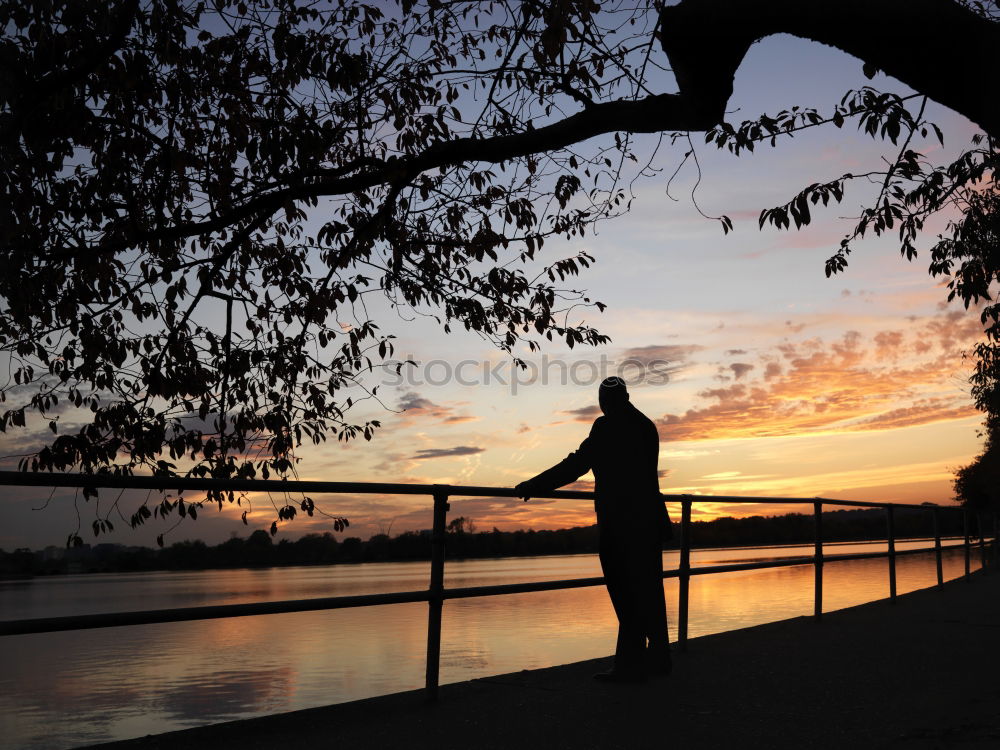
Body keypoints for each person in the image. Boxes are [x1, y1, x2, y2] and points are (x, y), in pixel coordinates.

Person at [515, 377, 671, 683]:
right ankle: (656, 659)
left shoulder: (607, 426)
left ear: (605, 401)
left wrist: (535, 484)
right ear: (627, 396)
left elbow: (577, 464)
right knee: (648, 590)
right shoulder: (645, 425)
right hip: (649, 521)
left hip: (621, 522)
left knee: (625, 594)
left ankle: (631, 665)